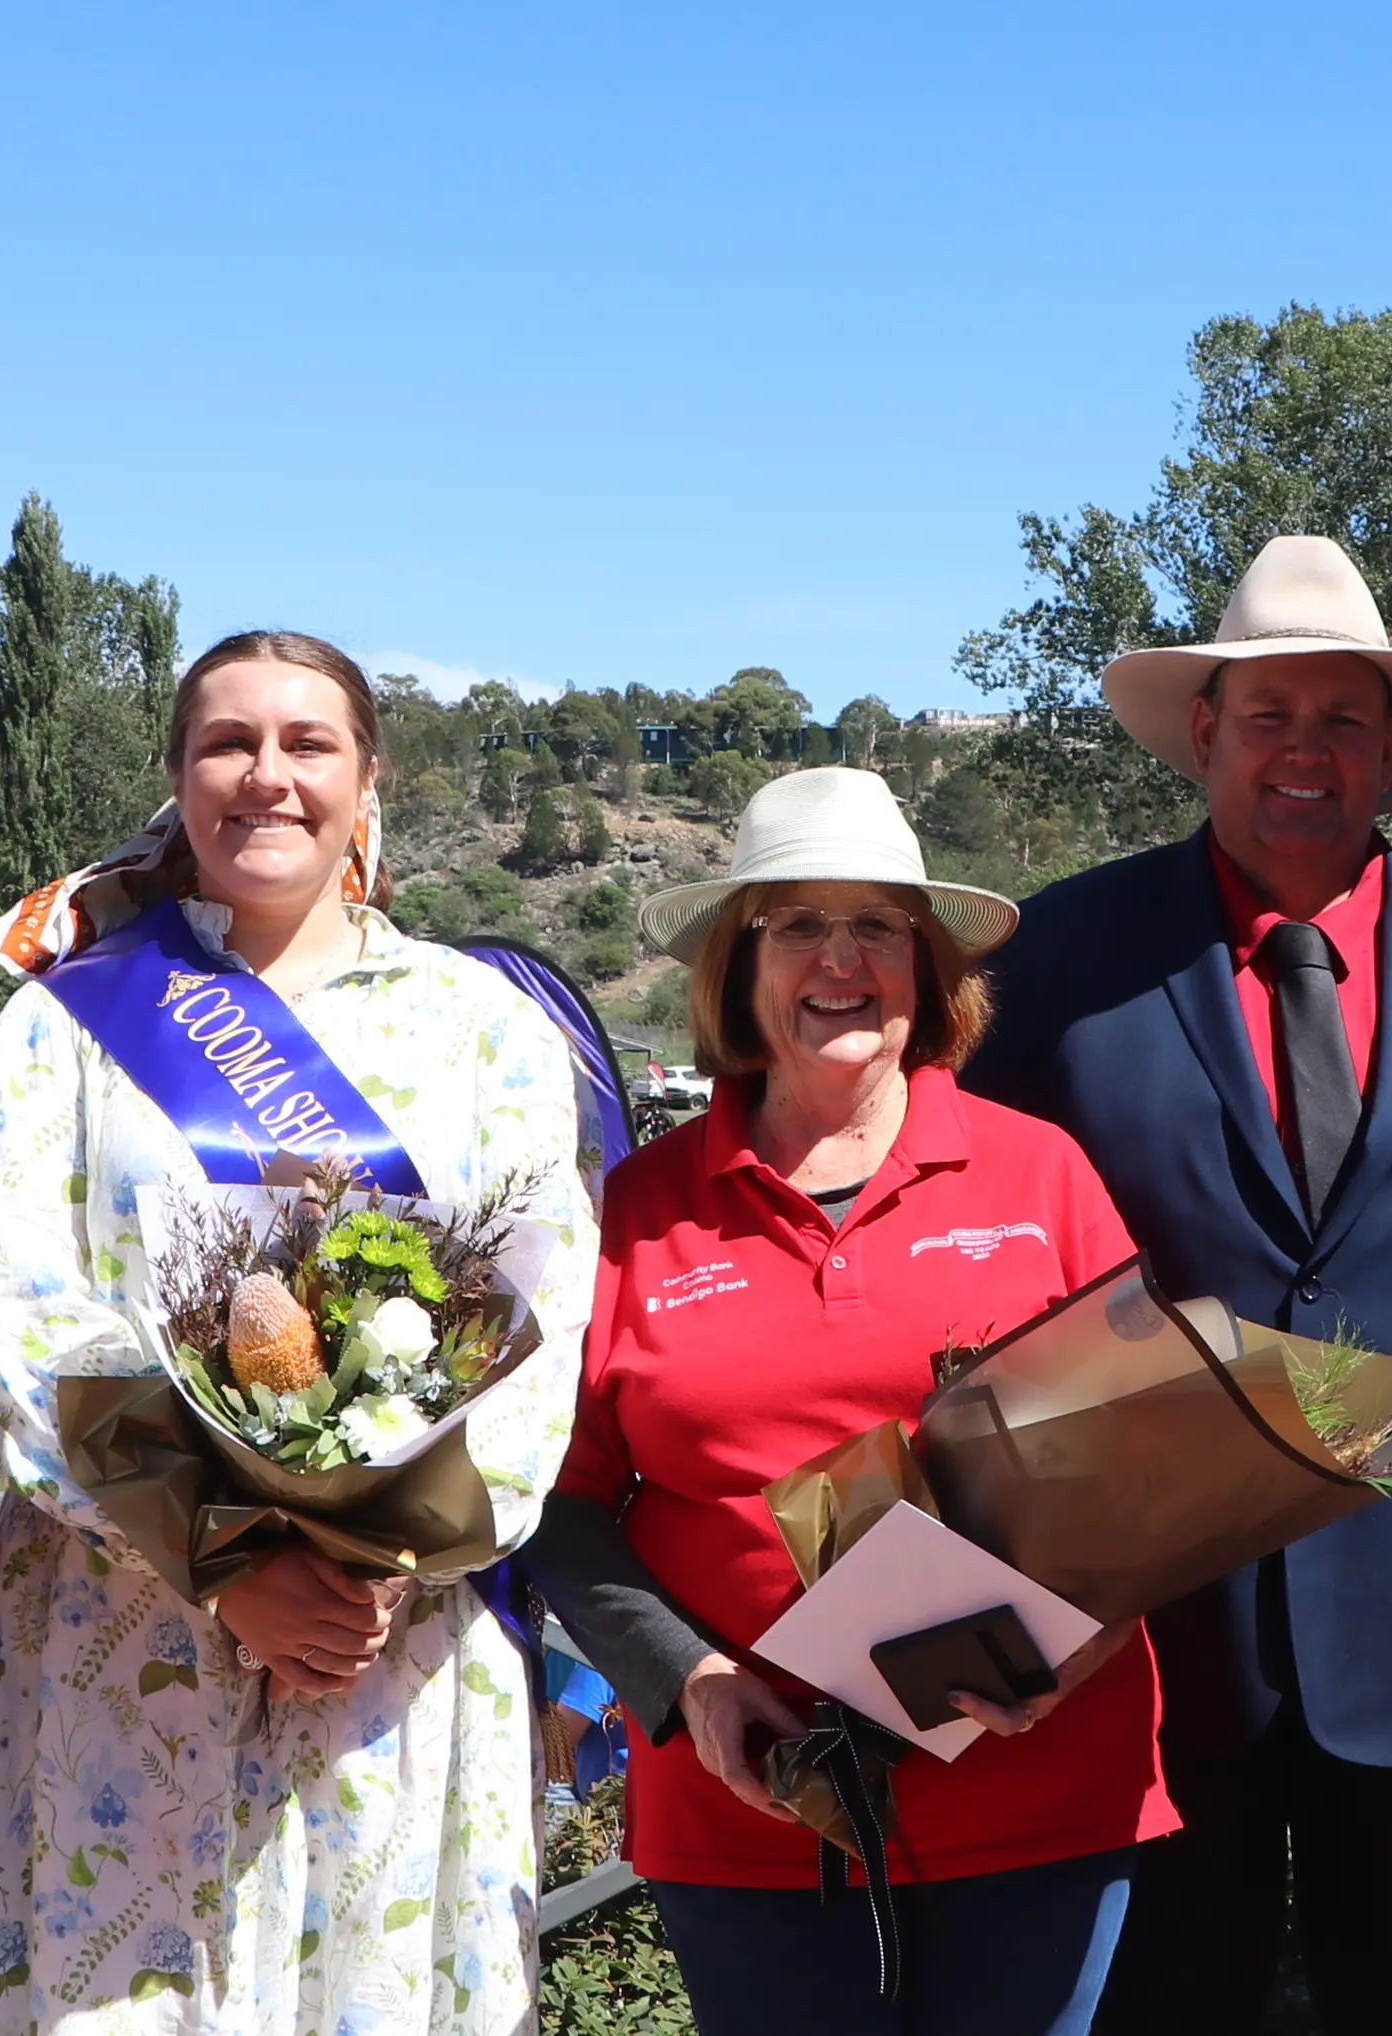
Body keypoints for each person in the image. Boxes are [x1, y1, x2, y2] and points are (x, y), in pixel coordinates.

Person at [961, 535, 1392, 2034]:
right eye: (1269, 715)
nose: (1305, 752)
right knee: (1160, 2005)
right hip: (1148, 1629)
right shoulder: (1059, 959)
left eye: (1342, 719)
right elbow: (973, 1261)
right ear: (1204, 731)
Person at [0, 629, 596, 2036]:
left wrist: (379, 1555)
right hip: (123, 1636)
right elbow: (26, 1311)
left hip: (392, 1641)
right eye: (228, 745)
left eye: (309, 745)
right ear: (180, 780)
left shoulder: (481, 1030)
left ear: (370, 781)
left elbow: (545, 1305)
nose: (267, 776)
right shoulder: (63, 1029)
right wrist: (223, 1562)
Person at [536, 768, 1174, 2035]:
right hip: (751, 1808)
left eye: (878, 925)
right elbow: (556, 1503)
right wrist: (693, 1683)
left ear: (929, 968)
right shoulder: (636, 1208)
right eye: (800, 925)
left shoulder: (1038, 1172)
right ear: (738, 963)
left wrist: (1074, 1652)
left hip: (1038, 1795)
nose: (843, 959)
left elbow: (1152, 1461)